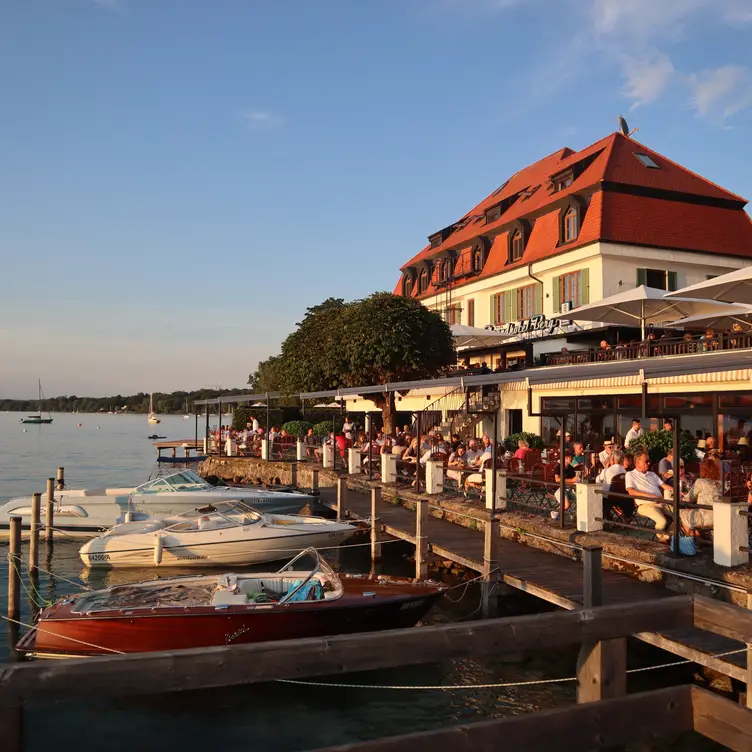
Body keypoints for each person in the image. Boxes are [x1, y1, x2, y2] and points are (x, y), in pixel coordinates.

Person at [625, 451, 674, 537]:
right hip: (645, 505)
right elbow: (631, 491)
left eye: (649, 461)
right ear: (637, 462)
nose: (649, 463)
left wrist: (678, 491)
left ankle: (667, 537)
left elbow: (664, 486)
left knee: (680, 517)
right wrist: (651, 497)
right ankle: (662, 538)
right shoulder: (630, 474)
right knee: (662, 521)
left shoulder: (652, 474)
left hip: (661, 502)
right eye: (646, 461)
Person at [682, 458, 721, 533]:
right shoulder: (720, 483)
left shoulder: (701, 481)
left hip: (705, 518)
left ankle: (691, 541)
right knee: (693, 512)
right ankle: (698, 536)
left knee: (681, 512)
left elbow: (688, 499)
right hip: (719, 517)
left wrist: (684, 496)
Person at [552, 452, 577, 520]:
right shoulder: (558, 467)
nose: (573, 459)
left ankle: (573, 515)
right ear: (566, 458)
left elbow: (574, 481)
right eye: (571, 457)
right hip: (559, 489)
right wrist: (571, 480)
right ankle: (554, 513)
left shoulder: (571, 468)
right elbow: (557, 479)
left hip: (569, 489)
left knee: (581, 499)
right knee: (566, 505)